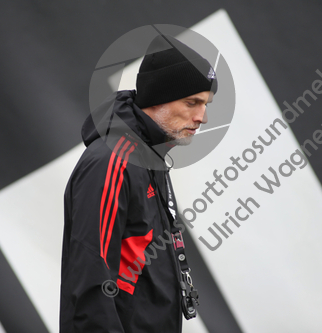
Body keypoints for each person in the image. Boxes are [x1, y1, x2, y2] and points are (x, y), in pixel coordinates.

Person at [59, 34, 218, 333]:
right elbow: (90, 282)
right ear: (158, 97)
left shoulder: (148, 155)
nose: (203, 117)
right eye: (192, 102)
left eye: (205, 104)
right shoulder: (112, 162)